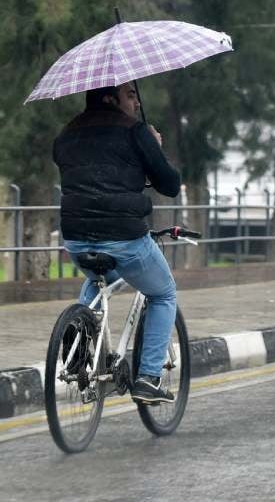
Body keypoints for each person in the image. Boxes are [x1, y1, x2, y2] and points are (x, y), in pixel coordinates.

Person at [52, 82, 181, 404]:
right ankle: (149, 378)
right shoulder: (134, 131)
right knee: (164, 293)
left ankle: (80, 346)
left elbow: (97, 173)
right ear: (110, 98)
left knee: (99, 278)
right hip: (124, 236)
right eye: (131, 95)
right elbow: (169, 185)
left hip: (76, 238)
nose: (136, 103)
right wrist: (152, 147)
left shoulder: (65, 135)